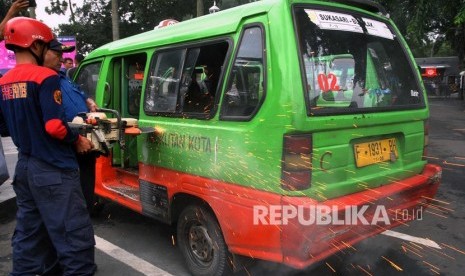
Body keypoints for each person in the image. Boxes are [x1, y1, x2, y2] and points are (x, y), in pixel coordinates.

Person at [0, 17, 96, 275]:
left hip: (25, 168)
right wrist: (77, 139)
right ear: (35, 45)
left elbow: (3, 128)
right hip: (53, 168)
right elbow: (54, 126)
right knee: (75, 240)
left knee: (30, 238)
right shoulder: (45, 77)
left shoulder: (4, 82)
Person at [44, 38, 99, 214]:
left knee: (86, 179)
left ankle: (87, 211)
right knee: (71, 189)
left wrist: (87, 100)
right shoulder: (44, 80)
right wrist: (75, 140)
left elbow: (78, 91)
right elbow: (52, 123)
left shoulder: (63, 77)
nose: (61, 58)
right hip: (67, 141)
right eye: (57, 54)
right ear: (42, 53)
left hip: (82, 135)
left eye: (63, 55)